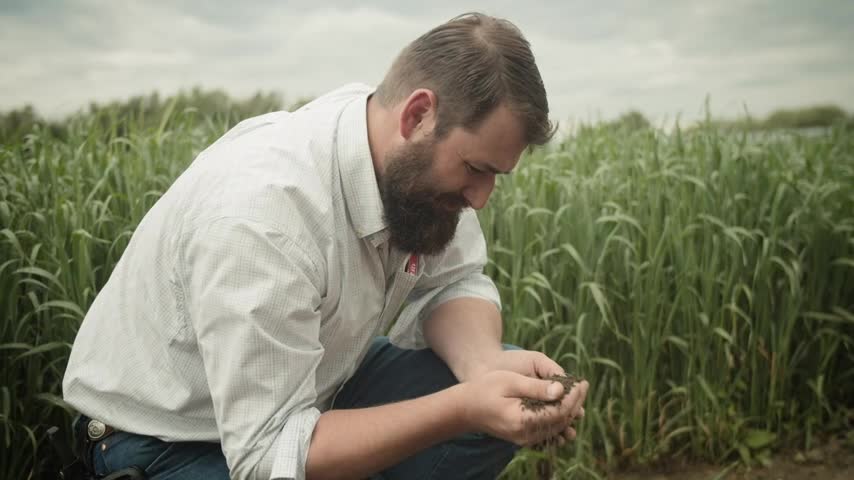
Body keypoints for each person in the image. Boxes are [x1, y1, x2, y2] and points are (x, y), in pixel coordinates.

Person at [62, 12, 590, 480]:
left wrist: (480, 369)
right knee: (469, 412)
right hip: (167, 442)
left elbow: (454, 279)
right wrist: (461, 407)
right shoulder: (263, 216)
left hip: (316, 385)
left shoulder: (402, 160)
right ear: (417, 116)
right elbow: (267, 454)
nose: (481, 198)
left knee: (501, 382)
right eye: (475, 169)